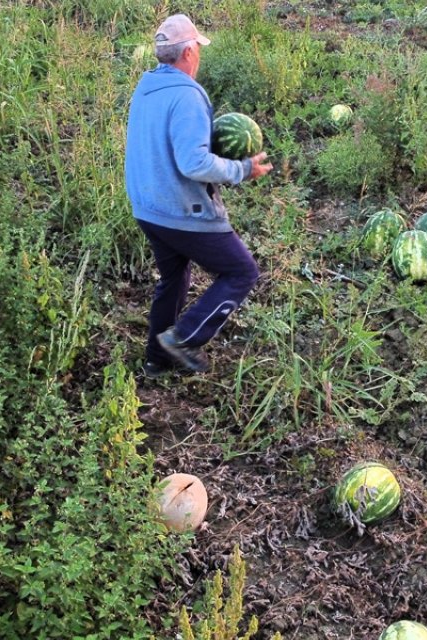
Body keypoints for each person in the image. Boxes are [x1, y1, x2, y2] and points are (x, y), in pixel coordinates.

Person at [124, 14, 273, 377]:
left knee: (173, 278)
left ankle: (155, 362)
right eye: (198, 49)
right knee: (241, 271)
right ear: (189, 51)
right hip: (181, 210)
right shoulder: (187, 96)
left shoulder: (146, 88)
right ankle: (185, 337)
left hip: (148, 207)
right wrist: (241, 169)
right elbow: (193, 163)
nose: (199, 56)